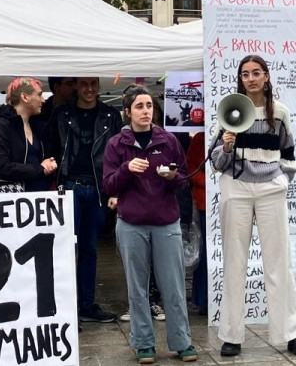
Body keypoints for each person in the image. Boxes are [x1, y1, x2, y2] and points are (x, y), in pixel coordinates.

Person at [210, 55, 296, 358]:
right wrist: (227, 145)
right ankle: (231, 335)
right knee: (234, 261)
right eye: (245, 74)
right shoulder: (229, 110)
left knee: (279, 262)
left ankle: (292, 333)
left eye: (256, 73)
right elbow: (216, 161)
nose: (251, 78)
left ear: (266, 76)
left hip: (270, 188)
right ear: (240, 78)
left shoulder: (279, 112)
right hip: (236, 186)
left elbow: (289, 155)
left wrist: (281, 180)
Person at [102, 86, 196, 363]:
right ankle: (143, 343)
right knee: (137, 287)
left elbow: (184, 180)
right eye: (139, 106)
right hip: (131, 223)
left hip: (166, 222)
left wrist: (172, 177)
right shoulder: (116, 144)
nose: (145, 111)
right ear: (128, 111)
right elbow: (108, 185)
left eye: (149, 106)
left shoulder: (168, 140)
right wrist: (125, 170)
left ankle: (182, 341)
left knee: (174, 286)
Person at [50, 76, 123, 323]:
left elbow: (118, 155)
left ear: (99, 86)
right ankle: (65, 304)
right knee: (66, 247)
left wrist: (114, 190)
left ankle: (86, 304)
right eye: (84, 84)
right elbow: (51, 146)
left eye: (93, 83)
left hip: (97, 188)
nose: (89, 89)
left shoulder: (111, 116)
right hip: (69, 185)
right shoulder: (62, 114)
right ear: (76, 86)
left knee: (90, 248)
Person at [0, 77, 57, 192]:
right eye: (39, 95)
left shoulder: (37, 127)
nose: (43, 100)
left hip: (38, 199)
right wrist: (40, 168)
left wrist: (48, 165)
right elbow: (1, 168)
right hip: (12, 202)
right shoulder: (0, 127)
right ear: (25, 97)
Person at [187, 131, 209, 315]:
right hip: (204, 203)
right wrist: (209, 182)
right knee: (205, 252)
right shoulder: (200, 138)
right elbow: (190, 168)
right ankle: (203, 300)